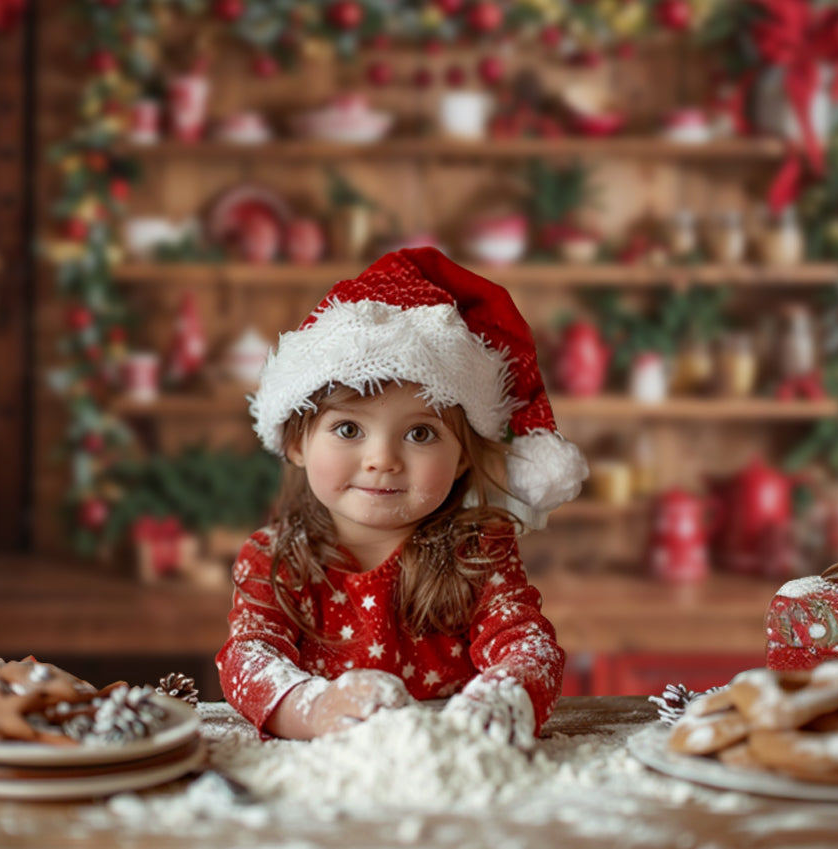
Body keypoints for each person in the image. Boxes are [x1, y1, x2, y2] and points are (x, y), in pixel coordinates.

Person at [216, 247, 590, 747]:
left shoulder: (477, 551)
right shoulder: (274, 560)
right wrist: (316, 708)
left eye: (419, 434)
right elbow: (250, 656)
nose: (382, 459)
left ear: (461, 458)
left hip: (447, 774)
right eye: (348, 428)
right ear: (296, 442)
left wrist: (505, 697)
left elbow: (527, 646)